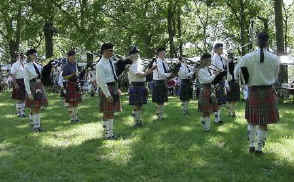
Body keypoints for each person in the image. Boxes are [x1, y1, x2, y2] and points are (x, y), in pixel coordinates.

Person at [234, 32, 280, 154]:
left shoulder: (247, 57)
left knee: (252, 120)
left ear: (256, 41)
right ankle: (259, 148)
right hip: (268, 92)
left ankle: (251, 145)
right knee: (263, 122)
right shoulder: (275, 58)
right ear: (267, 42)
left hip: (253, 91)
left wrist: (245, 81)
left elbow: (236, 73)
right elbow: (275, 77)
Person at [96, 43, 121, 140]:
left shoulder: (110, 61)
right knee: (108, 112)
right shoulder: (100, 64)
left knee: (112, 112)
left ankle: (110, 133)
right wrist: (107, 94)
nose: (112, 52)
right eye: (110, 50)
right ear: (104, 51)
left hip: (113, 87)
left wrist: (117, 88)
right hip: (106, 88)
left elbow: (114, 76)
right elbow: (100, 81)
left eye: (112, 50)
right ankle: (108, 134)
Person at [127, 46, 155, 127]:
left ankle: (138, 120)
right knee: (137, 105)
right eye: (135, 53)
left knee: (140, 105)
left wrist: (148, 69)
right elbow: (139, 74)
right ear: (131, 55)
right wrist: (149, 71)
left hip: (142, 85)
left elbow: (143, 72)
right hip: (136, 85)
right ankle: (137, 122)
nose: (137, 55)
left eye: (137, 53)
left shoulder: (139, 63)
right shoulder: (130, 64)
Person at [24, 49, 48, 132]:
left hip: (39, 85)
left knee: (38, 107)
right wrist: (29, 93)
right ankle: (35, 126)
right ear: (29, 55)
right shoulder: (26, 66)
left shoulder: (37, 65)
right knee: (34, 107)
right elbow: (26, 80)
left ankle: (38, 125)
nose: (35, 56)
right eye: (34, 54)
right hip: (32, 86)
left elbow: (41, 75)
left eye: (36, 54)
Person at [198, 53, 220, 131]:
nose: (211, 61)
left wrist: (216, 75)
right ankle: (206, 128)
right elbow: (207, 80)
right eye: (209, 60)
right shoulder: (201, 70)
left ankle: (204, 122)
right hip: (204, 90)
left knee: (210, 108)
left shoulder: (207, 69)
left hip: (209, 89)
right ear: (205, 61)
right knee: (206, 110)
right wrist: (215, 74)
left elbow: (211, 80)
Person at [152, 47, 172, 120]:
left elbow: (167, 69)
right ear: (159, 54)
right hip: (158, 82)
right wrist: (170, 74)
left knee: (162, 100)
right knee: (160, 101)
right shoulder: (157, 62)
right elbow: (161, 73)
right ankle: (159, 115)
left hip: (162, 81)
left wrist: (170, 71)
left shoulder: (163, 61)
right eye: (162, 53)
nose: (164, 54)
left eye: (164, 53)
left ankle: (159, 114)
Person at [62, 50, 82, 123]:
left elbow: (77, 74)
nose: (74, 57)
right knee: (71, 102)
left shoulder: (75, 64)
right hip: (70, 84)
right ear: (69, 56)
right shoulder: (66, 66)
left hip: (76, 84)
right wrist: (72, 74)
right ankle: (72, 118)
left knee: (76, 102)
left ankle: (76, 117)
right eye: (72, 56)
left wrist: (77, 75)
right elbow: (64, 77)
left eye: (74, 56)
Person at [211, 43, 227, 124]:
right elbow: (214, 71)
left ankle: (218, 117)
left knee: (220, 100)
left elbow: (224, 67)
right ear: (216, 49)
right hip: (217, 80)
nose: (222, 50)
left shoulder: (221, 57)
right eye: (221, 48)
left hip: (221, 79)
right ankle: (216, 118)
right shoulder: (215, 57)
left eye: (222, 48)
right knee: (218, 100)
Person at [10, 53, 26, 118]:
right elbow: (13, 75)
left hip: (24, 81)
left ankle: (22, 112)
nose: (21, 58)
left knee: (23, 98)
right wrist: (15, 84)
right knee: (19, 98)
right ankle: (18, 112)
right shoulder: (15, 65)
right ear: (17, 58)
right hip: (18, 81)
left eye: (21, 57)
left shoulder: (24, 64)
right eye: (19, 57)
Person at [226, 53, 240, 117]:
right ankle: (231, 112)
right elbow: (227, 74)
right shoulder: (227, 65)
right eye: (229, 57)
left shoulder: (235, 64)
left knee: (233, 99)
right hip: (230, 82)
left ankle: (231, 112)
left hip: (234, 82)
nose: (230, 59)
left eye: (231, 57)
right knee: (230, 99)